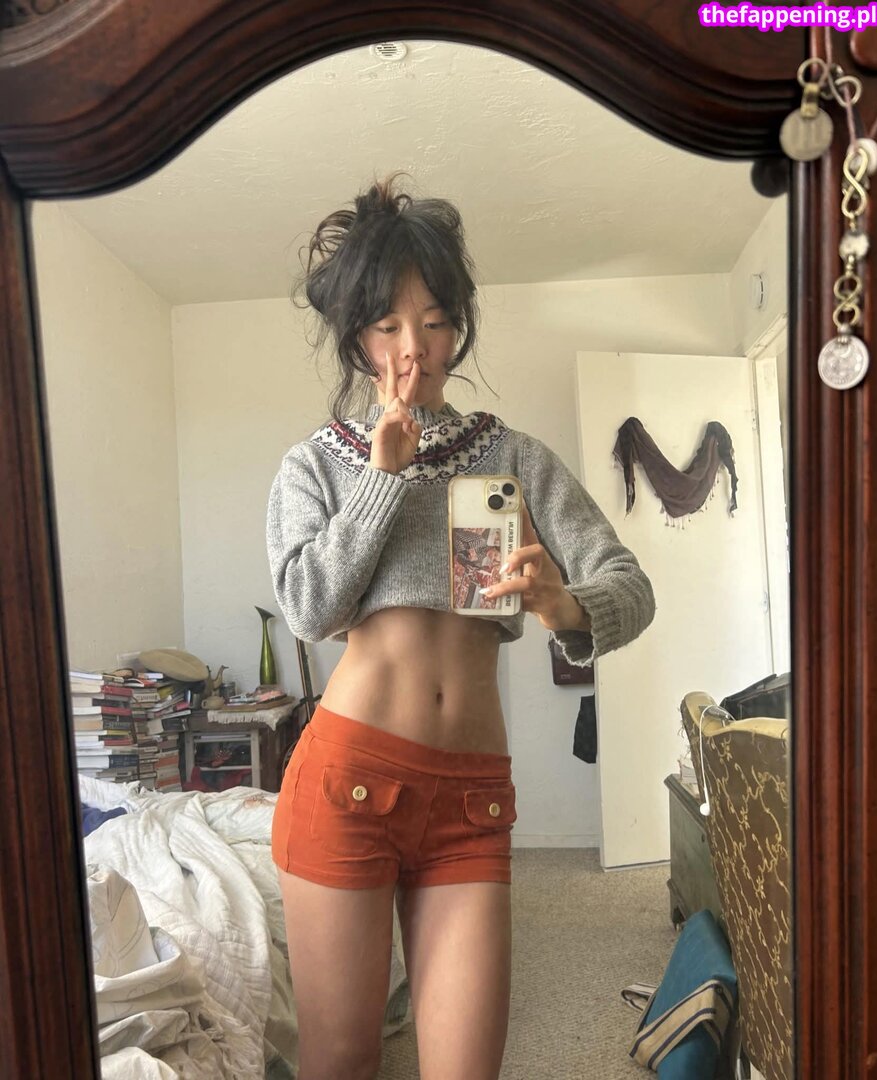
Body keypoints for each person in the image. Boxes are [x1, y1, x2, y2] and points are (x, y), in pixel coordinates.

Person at [266, 175, 656, 1080]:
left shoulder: (514, 455)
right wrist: (382, 476)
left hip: (470, 797)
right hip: (347, 778)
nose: (415, 348)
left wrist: (562, 605)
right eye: (388, 325)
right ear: (357, 338)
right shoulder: (314, 465)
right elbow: (310, 608)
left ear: (459, 328)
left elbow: (630, 587)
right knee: (340, 1060)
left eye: (435, 322)